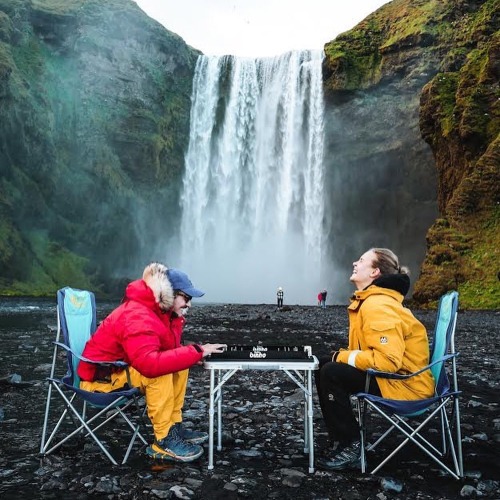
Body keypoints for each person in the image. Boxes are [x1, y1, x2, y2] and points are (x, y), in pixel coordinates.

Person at [77, 262, 226, 463]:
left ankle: (174, 427)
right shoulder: (138, 315)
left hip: (122, 371)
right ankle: (163, 440)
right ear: (170, 294)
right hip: (99, 382)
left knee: (180, 363)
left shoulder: (161, 313)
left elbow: (169, 352)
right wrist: (195, 351)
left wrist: (194, 353)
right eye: (186, 298)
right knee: (159, 371)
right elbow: (150, 365)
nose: (189, 305)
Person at [315, 248, 434, 470]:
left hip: (405, 386)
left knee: (331, 372)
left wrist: (341, 356)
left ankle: (350, 446)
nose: (354, 263)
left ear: (375, 272)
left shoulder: (378, 304)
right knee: (324, 364)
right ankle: (341, 440)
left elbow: (388, 362)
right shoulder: (374, 300)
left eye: (361, 261)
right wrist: (340, 357)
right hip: (398, 379)